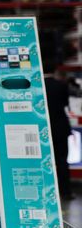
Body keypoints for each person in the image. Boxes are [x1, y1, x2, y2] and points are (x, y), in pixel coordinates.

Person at [42, 55, 73, 200]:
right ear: (55, 69)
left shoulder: (37, 87)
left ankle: (48, 193)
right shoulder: (61, 86)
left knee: (44, 161)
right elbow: (66, 104)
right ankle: (65, 191)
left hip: (43, 129)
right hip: (60, 128)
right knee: (62, 160)